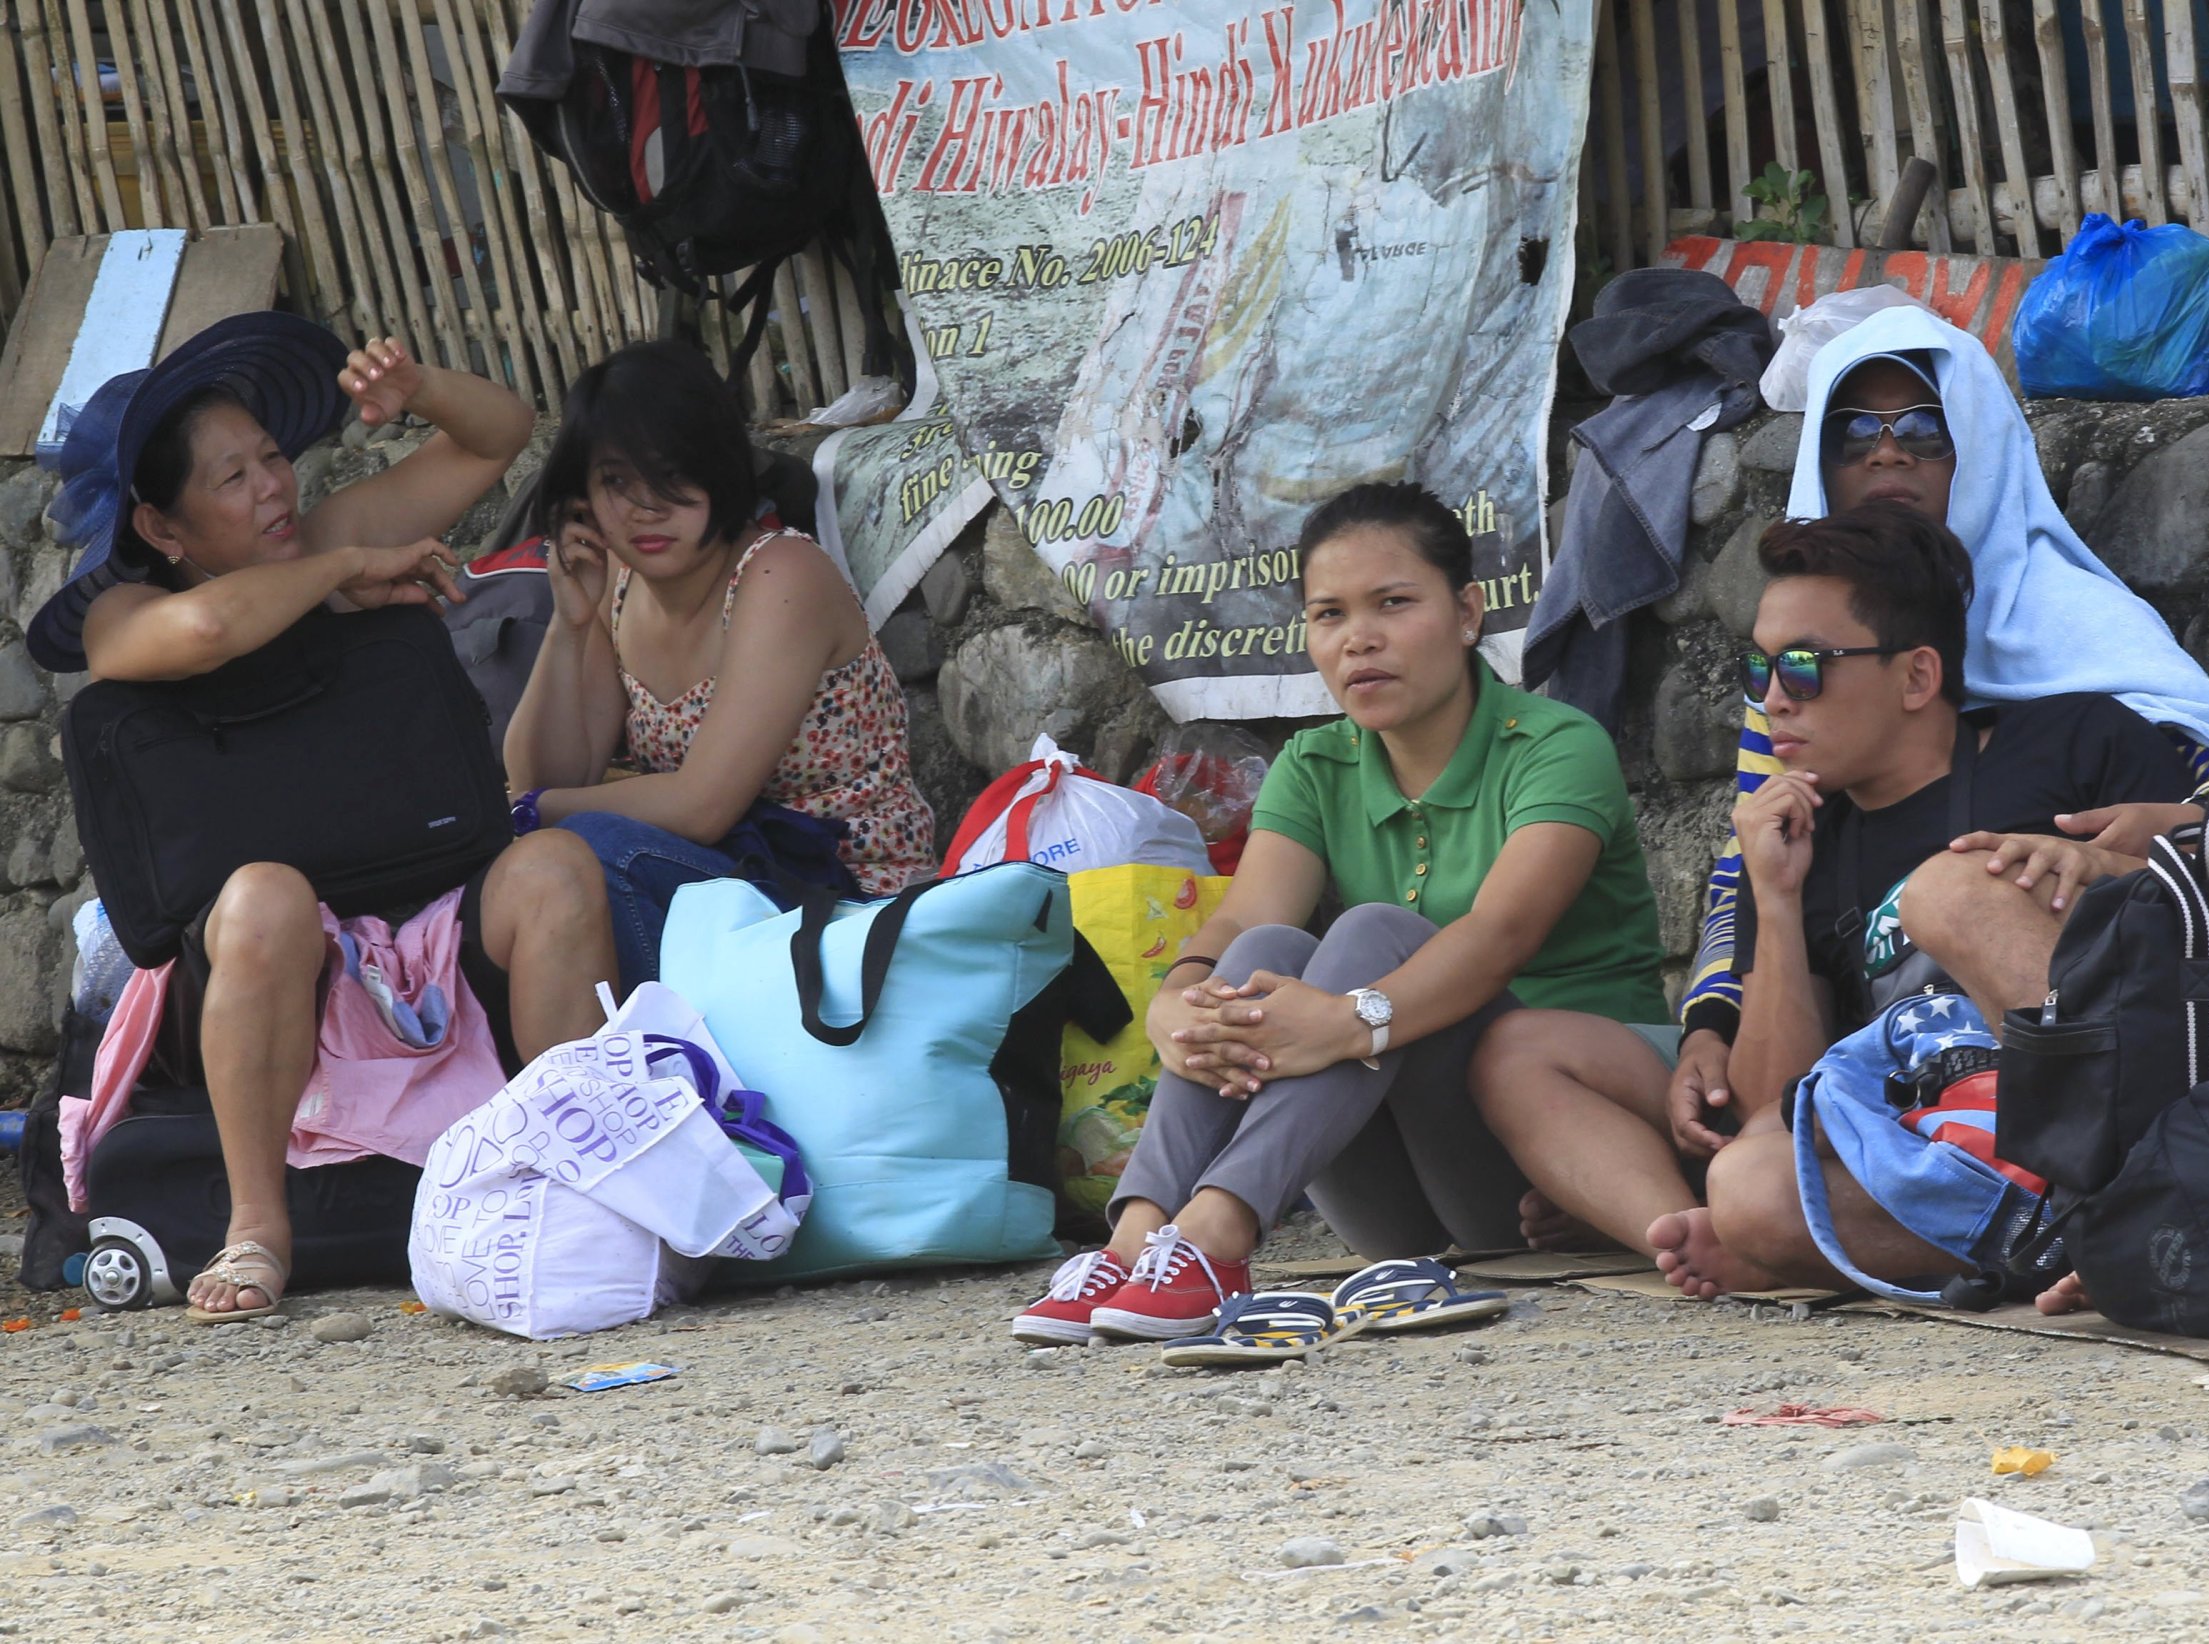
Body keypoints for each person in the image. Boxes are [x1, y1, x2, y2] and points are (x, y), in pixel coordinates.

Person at [1484, 306, 2209, 1257]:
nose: (1886, 457)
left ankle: (2148, 1194)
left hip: (2106, 1058)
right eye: (1850, 432)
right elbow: (1745, 901)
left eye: (1922, 430)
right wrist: (1716, 1006)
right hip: (1902, 1099)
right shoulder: (1808, 710)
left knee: (1946, 892)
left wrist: (2130, 852)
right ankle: (1714, 1228)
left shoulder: (2079, 678)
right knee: (1743, 1165)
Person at [26, 312, 619, 1322]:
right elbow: (211, 625)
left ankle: (579, 1185)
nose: (272, 488)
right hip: (251, 951)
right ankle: (259, 1227)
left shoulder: (321, 535)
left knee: (555, 869)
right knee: (265, 896)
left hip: (413, 917)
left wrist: (417, 387)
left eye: (270, 458)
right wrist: (345, 572)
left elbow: (500, 432)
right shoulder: (123, 611)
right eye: (232, 478)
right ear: (161, 529)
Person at [1010, 482, 1673, 1345]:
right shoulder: (1318, 765)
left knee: (1373, 933)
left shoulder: (1554, 747)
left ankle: (1216, 1232)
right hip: (1387, 1194)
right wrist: (1180, 996)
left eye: (1394, 604)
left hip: (1547, 1167)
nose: (1359, 638)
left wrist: (1349, 1021)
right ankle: (1141, 1238)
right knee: (1267, 947)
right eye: (1329, 614)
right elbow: (1242, 919)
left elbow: (1500, 934)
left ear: (1468, 613)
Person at [1485, 504, 2201, 1297]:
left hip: (2112, 1100)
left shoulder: (2073, 742)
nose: (1774, 702)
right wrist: (1778, 900)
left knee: (1947, 891)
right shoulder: (1799, 840)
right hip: (1944, 1138)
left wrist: (2098, 863)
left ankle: (2143, 1202)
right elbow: (1773, 1103)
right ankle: (2055, 1243)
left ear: (1918, 676)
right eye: (1758, 672)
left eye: (1803, 666)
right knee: (1750, 1185)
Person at [502, 341, 937, 987]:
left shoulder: (779, 574)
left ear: (720, 469)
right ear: (583, 496)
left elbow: (701, 806)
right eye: (616, 482)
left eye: (672, 474)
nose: (646, 508)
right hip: (726, 880)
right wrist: (569, 625)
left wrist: (526, 811)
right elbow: (544, 774)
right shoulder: (618, 581)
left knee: (591, 853)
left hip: (846, 903)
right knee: (543, 865)